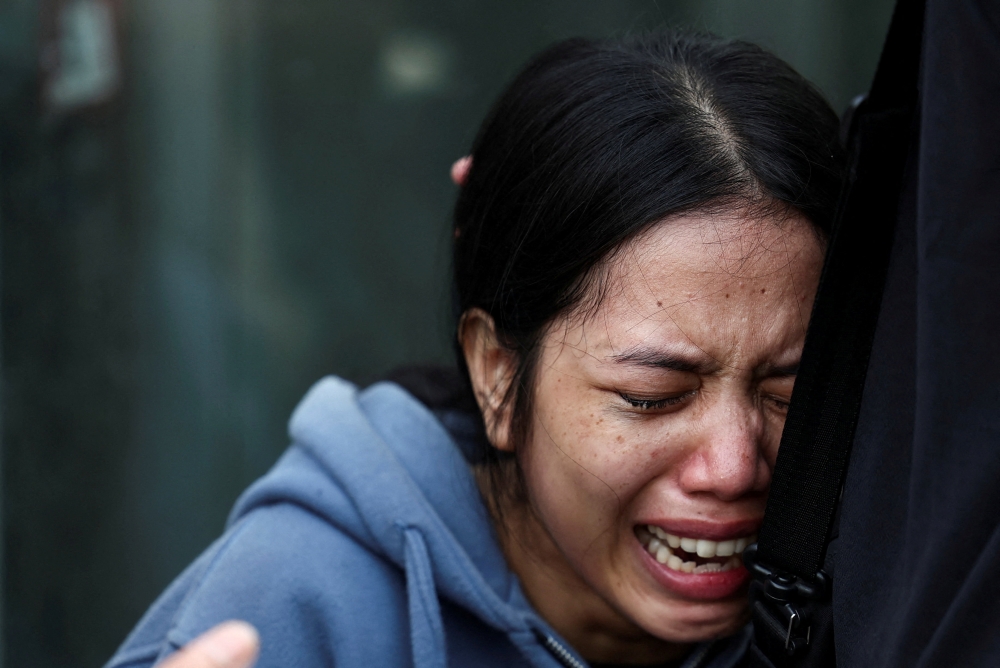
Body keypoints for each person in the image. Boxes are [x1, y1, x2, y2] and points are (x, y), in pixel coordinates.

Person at [106, 31, 843, 668]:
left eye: (789, 394)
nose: (735, 468)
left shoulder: (876, 577)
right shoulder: (290, 609)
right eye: (653, 396)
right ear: (495, 371)